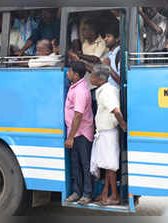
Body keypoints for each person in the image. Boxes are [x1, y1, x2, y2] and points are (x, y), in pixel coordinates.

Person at [89, 64, 127, 206]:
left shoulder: (106, 92)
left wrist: (123, 124)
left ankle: (115, 196)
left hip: (108, 133)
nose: (90, 78)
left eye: (92, 75)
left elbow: (116, 110)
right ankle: (105, 193)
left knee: (110, 166)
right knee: (106, 165)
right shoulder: (107, 89)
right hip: (105, 133)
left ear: (99, 79)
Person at [64, 61, 95, 205]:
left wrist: (70, 137)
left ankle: (87, 194)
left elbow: (78, 115)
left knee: (85, 164)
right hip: (75, 132)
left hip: (81, 133)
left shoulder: (81, 91)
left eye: (69, 71)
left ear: (76, 75)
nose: (67, 73)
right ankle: (77, 192)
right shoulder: (75, 86)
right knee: (75, 163)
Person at [101, 22, 121, 89]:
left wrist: (108, 67)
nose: (105, 39)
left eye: (108, 36)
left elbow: (121, 81)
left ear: (117, 38)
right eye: (105, 36)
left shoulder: (120, 54)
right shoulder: (108, 54)